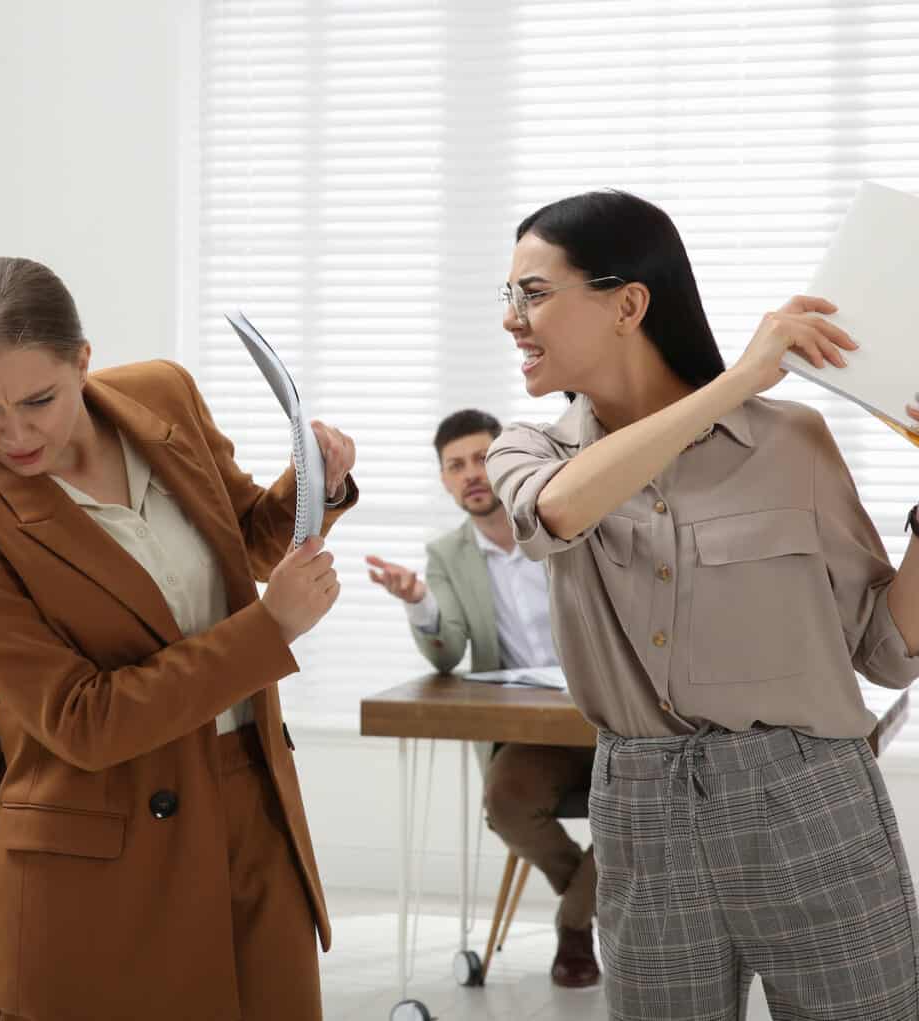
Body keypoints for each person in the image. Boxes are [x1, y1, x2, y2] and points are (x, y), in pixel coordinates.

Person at [484, 190, 919, 1021]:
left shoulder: (793, 442)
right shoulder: (529, 450)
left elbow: (887, 652)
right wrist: (743, 380)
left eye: (532, 292)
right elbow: (560, 514)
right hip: (643, 814)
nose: (512, 317)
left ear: (629, 303)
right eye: (508, 296)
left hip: (811, 805)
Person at [0, 257, 358, 1021]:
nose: (14, 433)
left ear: (83, 360)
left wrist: (315, 486)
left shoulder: (161, 395)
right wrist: (269, 628)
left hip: (251, 802)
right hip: (97, 865)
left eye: (39, 399)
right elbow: (84, 718)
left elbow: (240, 540)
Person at [366, 409, 599, 988]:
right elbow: (448, 655)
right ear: (444, 480)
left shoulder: (564, 519)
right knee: (506, 802)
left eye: (481, 459)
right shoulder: (448, 555)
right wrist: (419, 602)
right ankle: (588, 904)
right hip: (533, 732)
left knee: (642, 810)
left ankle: (574, 927)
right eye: (455, 466)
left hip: (607, 718)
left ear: (505, 464)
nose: (471, 474)